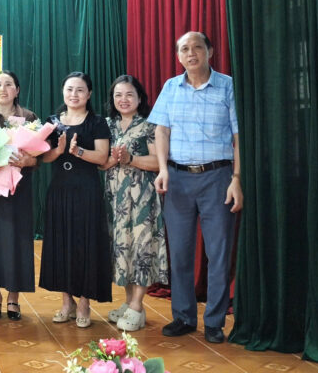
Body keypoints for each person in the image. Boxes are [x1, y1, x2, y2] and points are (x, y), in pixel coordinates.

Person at [149, 31, 243, 344]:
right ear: (178, 56)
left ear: (209, 52)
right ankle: (184, 316)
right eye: (185, 49)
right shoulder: (170, 87)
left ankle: (214, 322)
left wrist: (237, 179)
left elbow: (238, 136)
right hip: (177, 178)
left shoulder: (228, 86)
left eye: (197, 47)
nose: (191, 54)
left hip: (217, 178)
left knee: (218, 253)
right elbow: (161, 131)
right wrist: (163, 169)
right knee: (180, 252)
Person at [40, 71, 112, 328]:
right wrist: (58, 151)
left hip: (86, 191)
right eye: (69, 89)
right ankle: (66, 302)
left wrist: (78, 151)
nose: (74, 94)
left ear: (89, 94)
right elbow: (43, 157)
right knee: (62, 245)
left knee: (84, 245)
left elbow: (102, 157)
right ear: (63, 92)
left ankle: (84, 303)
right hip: (59, 190)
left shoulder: (97, 122)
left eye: (80, 90)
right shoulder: (52, 122)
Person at [100, 75, 168, 332]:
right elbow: (102, 160)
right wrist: (108, 160)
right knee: (123, 249)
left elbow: (158, 162)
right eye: (118, 95)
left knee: (141, 248)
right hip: (114, 198)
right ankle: (129, 303)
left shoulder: (150, 125)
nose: (124, 99)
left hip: (142, 198)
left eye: (129, 94)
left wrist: (130, 159)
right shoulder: (107, 125)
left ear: (140, 97)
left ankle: (137, 306)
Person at [0, 70, 40, 321]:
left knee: (18, 240)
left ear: (17, 90)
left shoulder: (29, 117)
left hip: (18, 188)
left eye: (8, 85)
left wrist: (29, 161)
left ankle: (14, 298)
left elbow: (38, 156)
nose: (3, 89)